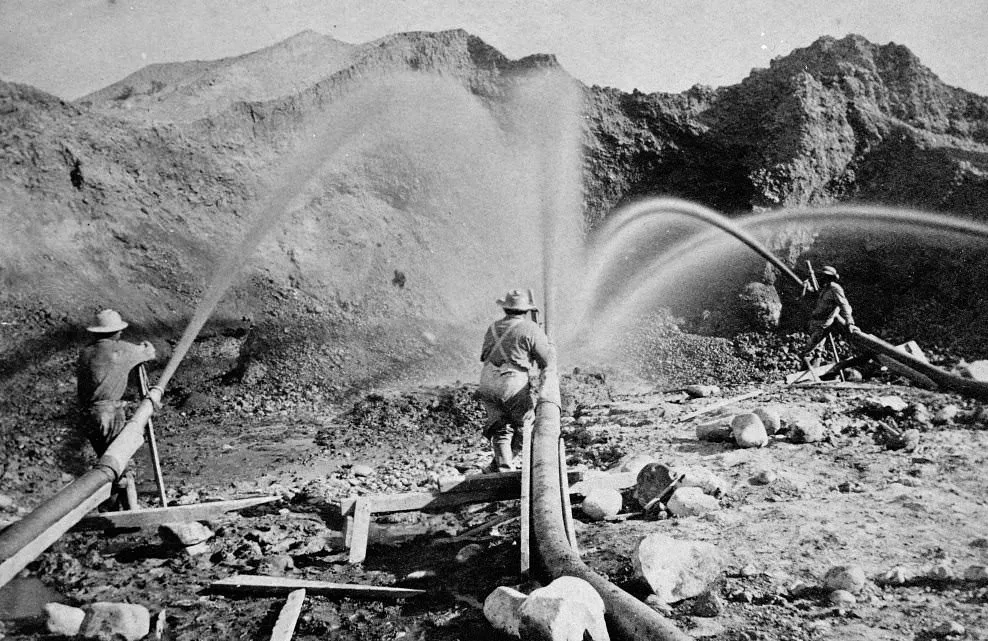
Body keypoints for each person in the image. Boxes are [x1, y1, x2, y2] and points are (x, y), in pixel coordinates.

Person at [77, 309, 156, 510]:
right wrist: (144, 347)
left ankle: (111, 509)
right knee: (122, 461)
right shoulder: (121, 350)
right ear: (116, 332)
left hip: (88, 414)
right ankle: (130, 510)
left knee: (106, 462)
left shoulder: (85, 353)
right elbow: (150, 354)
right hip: (110, 412)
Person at [477, 290, 553, 473]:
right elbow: (546, 360)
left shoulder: (493, 327)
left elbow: (484, 355)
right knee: (526, 424)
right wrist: (544, 340)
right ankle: (506, 466)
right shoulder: (530, 329)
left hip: (487, 380)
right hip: (512, 381)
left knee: (500, 427)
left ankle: (501, 466)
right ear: (526, 311)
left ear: (506, 309)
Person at [800, 265, 858, 369]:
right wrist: (808, 288)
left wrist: (850, 322)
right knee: (818, 350)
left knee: (808, 350)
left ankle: (807, 375)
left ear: (831, 278)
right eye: (823, 275)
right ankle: (813, 376)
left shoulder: (835, 288)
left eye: (825, 276)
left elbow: (844, 305)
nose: (822, 277)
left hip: (824, 324)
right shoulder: (825, 288)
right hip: (816, 322)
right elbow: (817, 295)